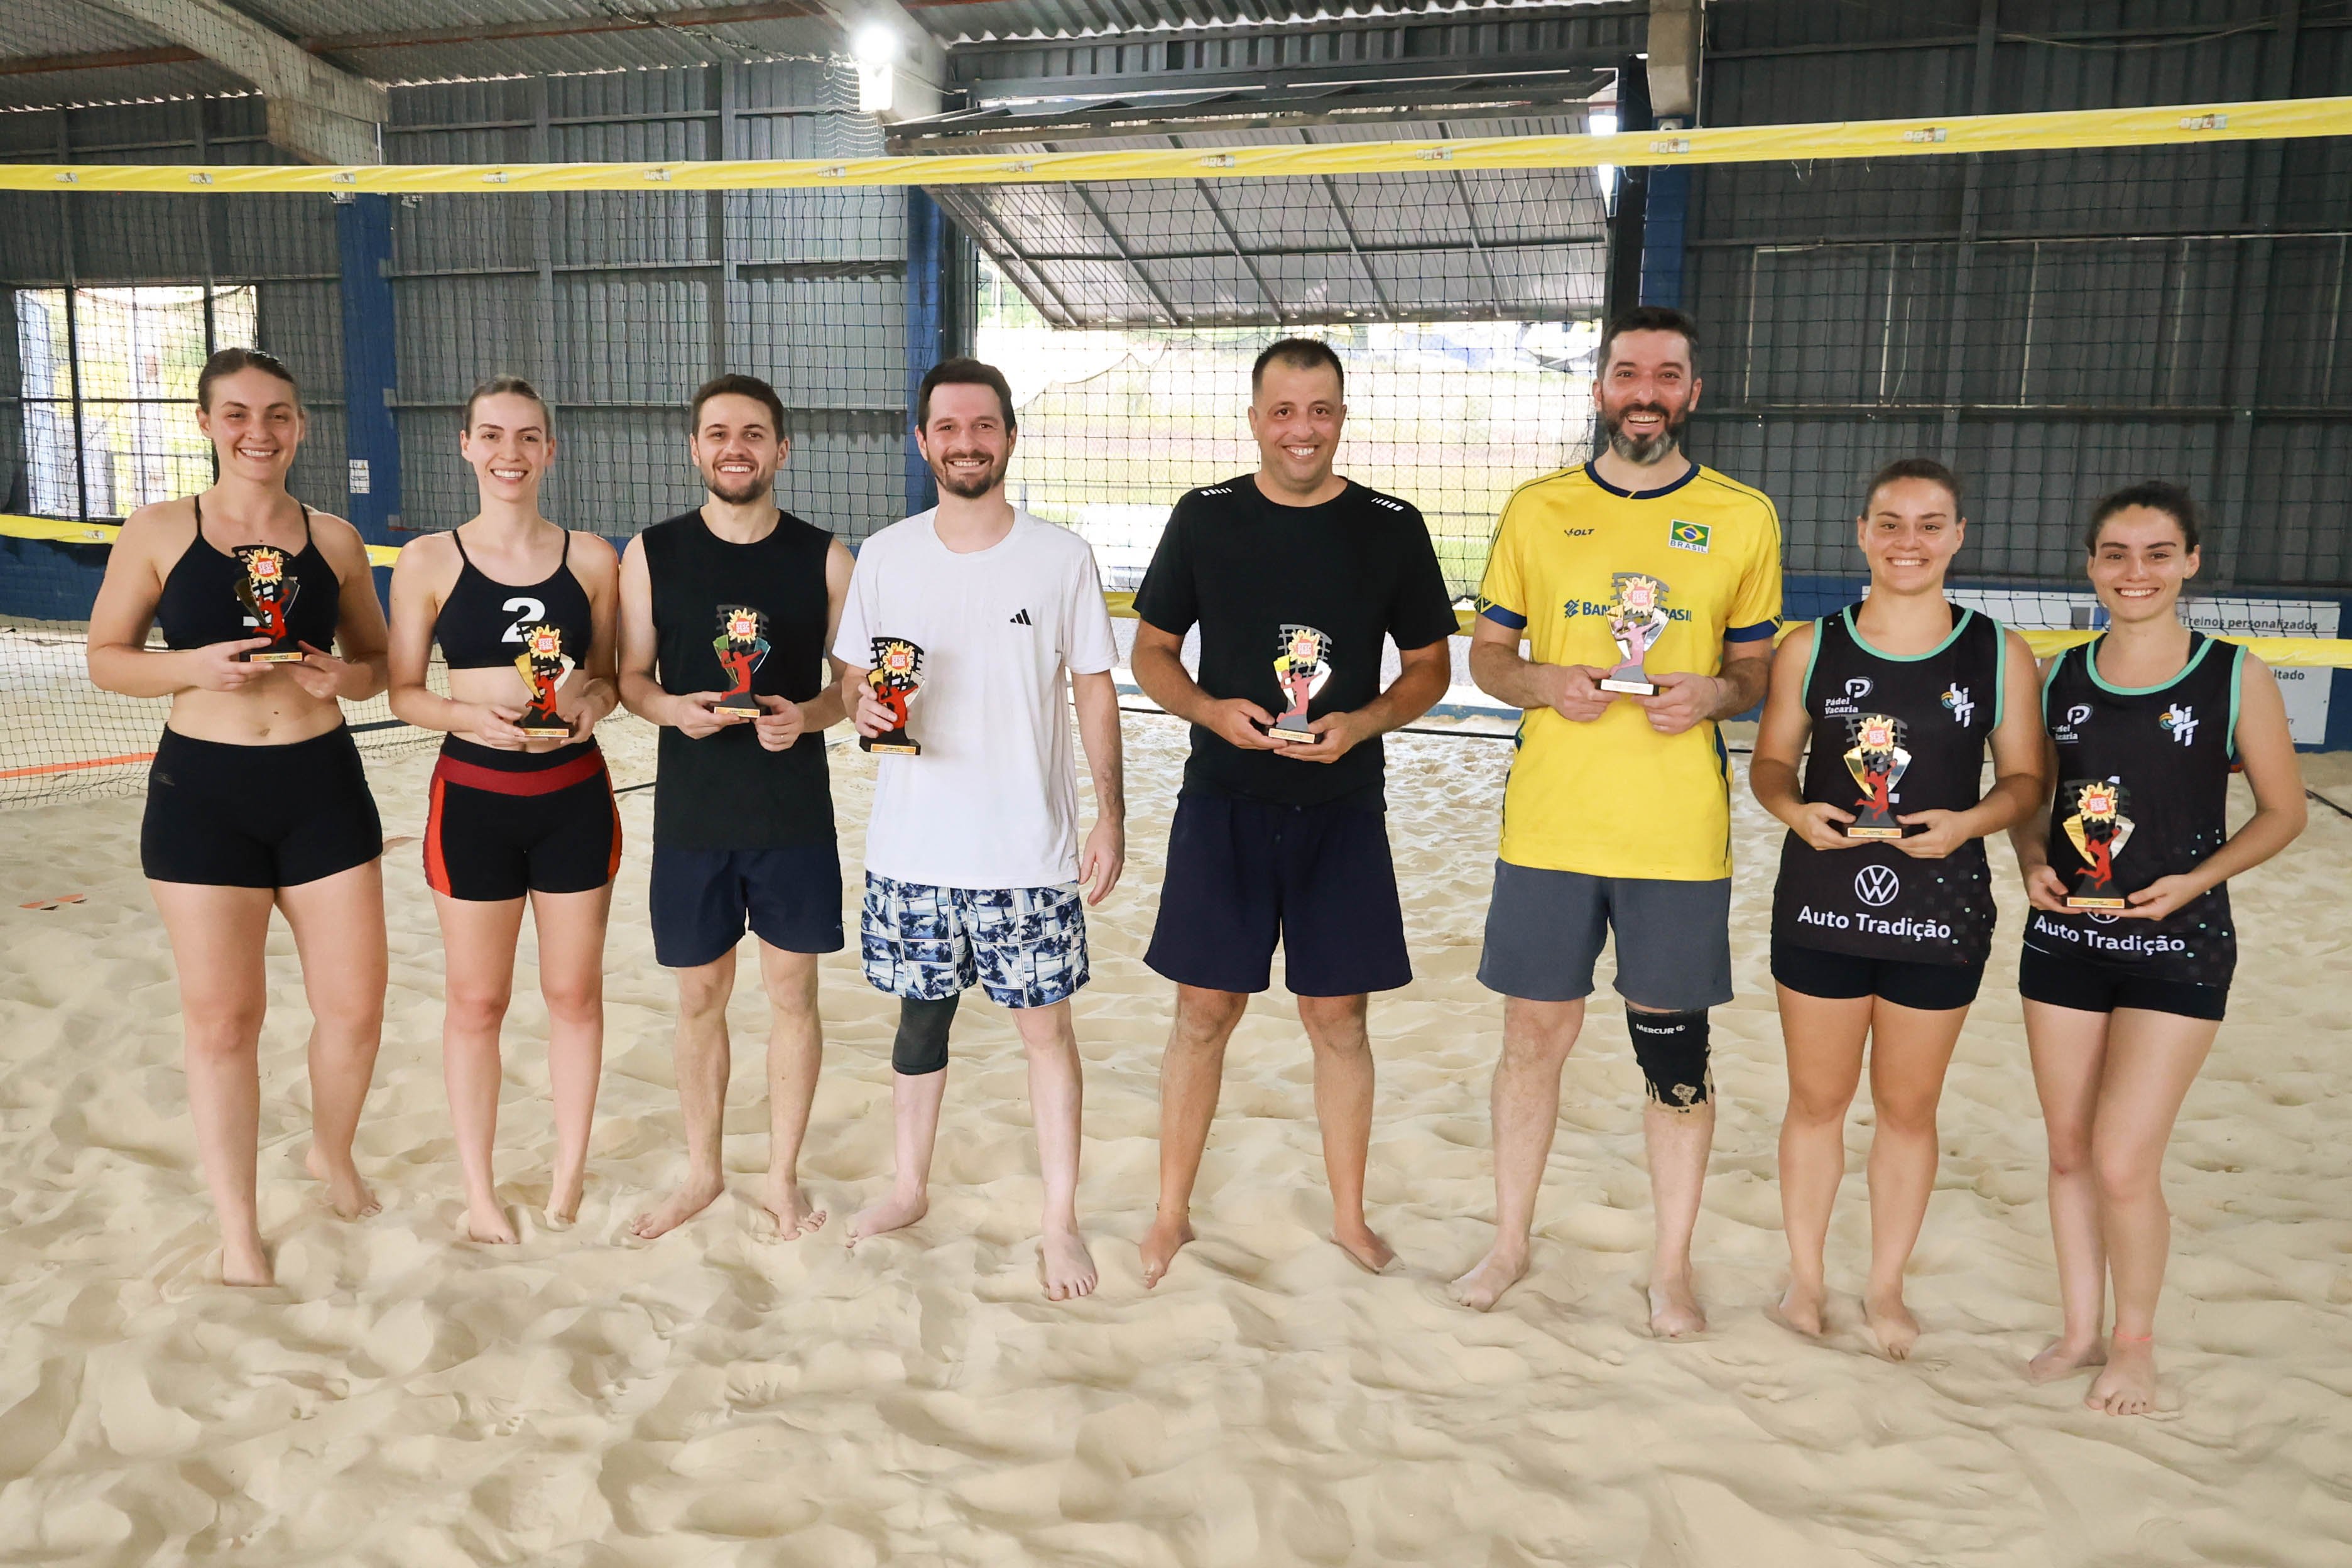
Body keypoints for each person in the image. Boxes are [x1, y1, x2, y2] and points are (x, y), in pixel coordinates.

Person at [1454, 305, 1781, 1334]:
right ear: (1600, 390)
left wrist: (1717, 696)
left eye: (1667, 375)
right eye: (1629, 373)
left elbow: (1756, 669)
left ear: (1692, 392)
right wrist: (1543, 681)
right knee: (1531, 1040)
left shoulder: (1743, 516)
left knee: (1673, 1056)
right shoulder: (1539, 509)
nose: (1647, 393)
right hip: (1551, 827)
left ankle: (1670, 1268)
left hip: (1674, 837)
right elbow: (1489, 659)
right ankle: (1510, 1243)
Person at [1131, 338, 1458, 1287]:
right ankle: (1169, 1214)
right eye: (1283, 411)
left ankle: (1349, 1218)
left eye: (1319, 411)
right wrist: (1208, 711)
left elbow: (1431, 668)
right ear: (1255, 420)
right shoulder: (1206, 516)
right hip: (1224, 801)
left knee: (1339, 1017)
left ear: (1342, 418)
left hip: (1341, 806)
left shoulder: (1391, 527)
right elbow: (1152, 651)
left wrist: (1364, 722)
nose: (1301, 430)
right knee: (1204, 1011)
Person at [85, 347, 391, 1286]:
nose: (260, 432)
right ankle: (238, 1229)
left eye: (278, 414)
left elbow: (379, 666)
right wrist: (192, 666)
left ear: (301, 425)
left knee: (355, 1010)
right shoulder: (158, 530)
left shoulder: (334, 539)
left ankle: (331, 1152)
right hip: (204, 795)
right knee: (224, 1023)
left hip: (321, 784)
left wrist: (343, 678)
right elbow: (105, 658)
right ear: (207, 423)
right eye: (238, 414)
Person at [2008, 482, 2304, 1415]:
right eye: (2116, 554)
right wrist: (2031, 862)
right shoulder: (2057, 675)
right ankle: (2081, 1331)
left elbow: (2285, 813)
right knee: (2068, 1150)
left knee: (2123, 1159)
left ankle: (2135, 1346)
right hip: (2066, 939)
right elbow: (2030, 799)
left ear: (2190, 562)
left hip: (2181, 943)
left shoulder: (2233, 674)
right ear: (2092, 565)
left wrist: (2194, 880)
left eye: (2157, 553)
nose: (2135, 572)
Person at [836, 357, 1124, 1302]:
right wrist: (861, 706)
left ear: (1008, 436)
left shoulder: (1060, 557)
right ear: (923, 441)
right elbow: (854, 679)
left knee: (1046, 1030)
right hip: (913, 848)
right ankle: (909, 1187)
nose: (967, 443)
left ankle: (1059, 1221)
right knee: (920, 1018)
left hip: (1025, 850)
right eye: (949, 428)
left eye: (983, 425)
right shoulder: (886, 554)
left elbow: (1093, 691)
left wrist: (1111, 814)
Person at [1750, 458, 2044, 1357]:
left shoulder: (1999, 653)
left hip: (1939, 909)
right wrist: (1796, 810)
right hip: (1824, 905)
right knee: (1817, 1100)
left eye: (1928, 525)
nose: (1907, 542)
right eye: (1890, 523)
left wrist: (1968, 824)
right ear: (1862, 534)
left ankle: (1885, 1287)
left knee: (1908, 1110)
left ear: (1957, 537)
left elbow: (2026, 781)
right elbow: (1771, 764)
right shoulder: (1811, 647)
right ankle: (1807, 1281)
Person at [617, 374, 853, 1241]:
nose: (735, 448)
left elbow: (852, 688)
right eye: (718, 433)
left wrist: (809, 718)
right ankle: (704, 1172)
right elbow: (631, 678)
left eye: (753, 433)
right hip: (694, 816)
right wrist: (670, 709)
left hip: (791, 815)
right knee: (700, 999)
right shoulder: (651, 554)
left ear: (781, 450)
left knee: (792, 995)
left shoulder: (826, 558)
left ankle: (781, 1178)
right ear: (695, 449)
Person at [387, 376, 622, 1244]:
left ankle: (568, 1175)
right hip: (473, 802)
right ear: (465, 446)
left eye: (527, 437)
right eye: (491, 435)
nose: (509, 453)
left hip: (572, 800)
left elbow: (607, 679)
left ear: (550, 450)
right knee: (477, 1001)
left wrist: (590, 705)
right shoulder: (428, 560)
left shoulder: (592, 559)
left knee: (573, 993)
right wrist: (465, 716)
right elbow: (402, 692)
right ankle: (480, 1193)